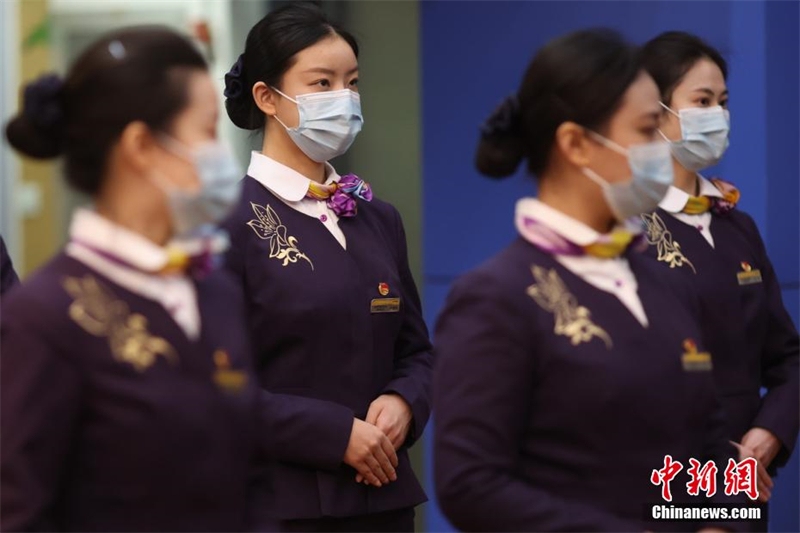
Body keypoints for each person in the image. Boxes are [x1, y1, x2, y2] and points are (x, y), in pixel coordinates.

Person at [0, 26, 363, 532]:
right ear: (142, 146)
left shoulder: (210, 290)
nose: (220, 155)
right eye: (207, 132)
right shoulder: (45, 314)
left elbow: (251, 477)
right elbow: (22, 508)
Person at [433, 29, 741, 532]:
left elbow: (710, 437)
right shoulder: (497, 296)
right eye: (647, 130)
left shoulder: (659, 275)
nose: (662, 148)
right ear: (576, 144)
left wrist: (723, 523)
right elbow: (470, 484)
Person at [222, 3, 431, 531]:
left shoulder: (377, 217)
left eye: (352, 83)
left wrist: (404, 401)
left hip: (383, 501)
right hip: (279, 506)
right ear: (267, 97)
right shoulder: (226, 222)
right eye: (322, 83)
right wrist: (334, 434)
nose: (344, 98)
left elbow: (417, 352)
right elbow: (211, 383)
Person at [640, 30, 799, 526]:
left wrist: (771, 433)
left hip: (742, 487)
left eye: (723, 102)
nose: (718, 116)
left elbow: (787, 358)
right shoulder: (621, 227)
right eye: (702, 101)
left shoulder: (736, 225)